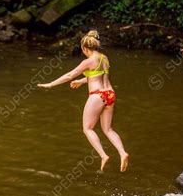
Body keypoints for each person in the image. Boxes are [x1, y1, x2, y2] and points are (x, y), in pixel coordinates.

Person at [38, 30, 129, 172]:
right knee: (108, 129)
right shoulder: (104, 58)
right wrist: (81, 81)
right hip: (109, 94)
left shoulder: (88, 61)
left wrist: (50, 84)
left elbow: (69, 75)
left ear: (84, 48)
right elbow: (95, 77)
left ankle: (103, 155)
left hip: (97, 95)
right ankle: (122, 153)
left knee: (87, 129)